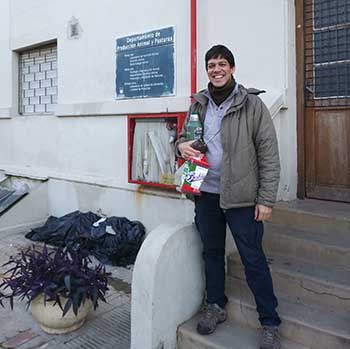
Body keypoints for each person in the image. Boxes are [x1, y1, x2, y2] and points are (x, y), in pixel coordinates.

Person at [176, 45, 281, 349]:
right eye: (211, 65)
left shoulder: (252, 105)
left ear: (233, 68)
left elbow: (269, 155)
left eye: (222, 64)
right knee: (211, 253)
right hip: (206, 193)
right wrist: (181, 146)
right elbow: (185, 139)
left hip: (243, 198)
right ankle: (216, 306)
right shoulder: (198, 103)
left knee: (253, 258)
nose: (216, 69)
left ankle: (269, 321)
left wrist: (266, 199)